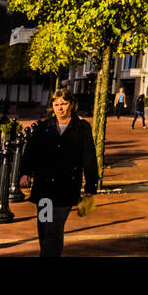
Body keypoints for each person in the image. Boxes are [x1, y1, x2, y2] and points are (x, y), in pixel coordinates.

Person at [18, 88, 99, 257]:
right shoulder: (44, 127)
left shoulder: (82, 128)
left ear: (72, 105)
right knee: (45, 227)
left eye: (64, 103)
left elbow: (89, 157)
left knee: (54, 228)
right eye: (56, 104)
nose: (60, 108)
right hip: (45, 188)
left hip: (66, 187)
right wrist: (25, 173)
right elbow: (31, 152)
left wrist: (90, 186)